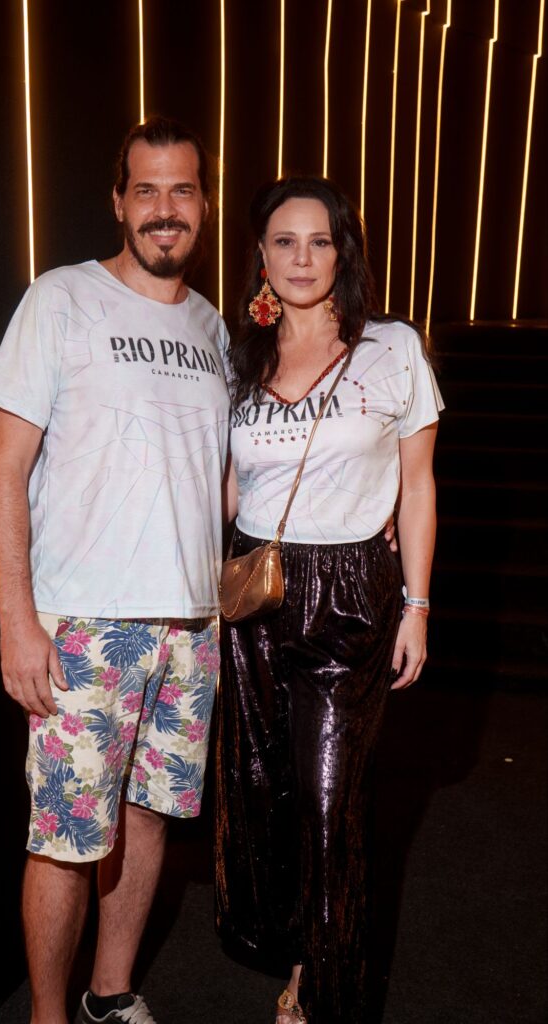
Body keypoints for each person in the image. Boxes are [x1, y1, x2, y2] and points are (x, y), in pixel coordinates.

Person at [0, 117, 230, 1024]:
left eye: (183, 189)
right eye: (147, 190)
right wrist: (18, 621)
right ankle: (47, 1016)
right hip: (87, 624)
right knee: (67, 833)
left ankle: (108, 996)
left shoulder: (212, 327)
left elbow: (222, 480)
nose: (165, 209)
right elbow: (3, 468)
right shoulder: (62, 298)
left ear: (204, 204)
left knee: (151, 815)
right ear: (118, 202)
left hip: (192, 623)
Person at [214, 176, 443, 1024]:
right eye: (284, 241)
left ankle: (322, 987)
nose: (301, 258)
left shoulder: (391, 347)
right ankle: (294, 946)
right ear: (260, 254)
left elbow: (417, 485)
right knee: (263, 787)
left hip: (351, 596)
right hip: (255, 592)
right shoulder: (239, 355)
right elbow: (228, 485)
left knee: (326, 798)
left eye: (319, 241)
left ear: (343, 251)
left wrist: (416, 604)